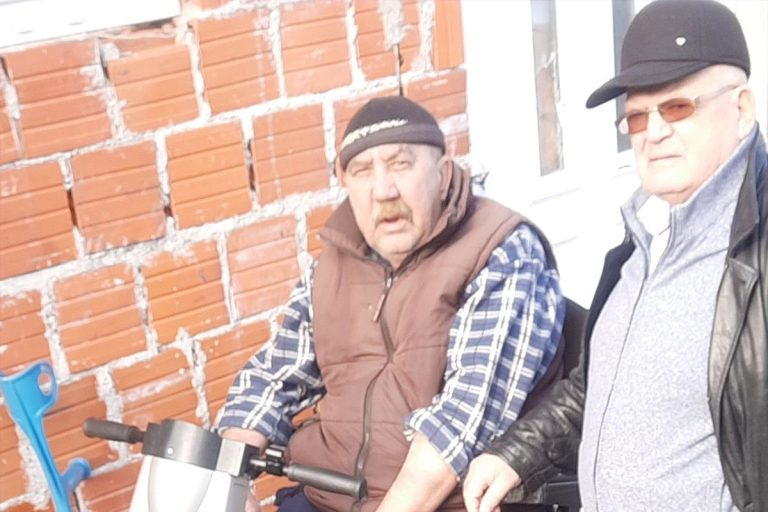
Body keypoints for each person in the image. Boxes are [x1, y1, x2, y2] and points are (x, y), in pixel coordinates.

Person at [462, 0, 767, 511]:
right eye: (637, 116)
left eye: (677, 107)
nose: (654, 131)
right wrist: (517, 454)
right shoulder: (643, 235)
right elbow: (600, 384)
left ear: (742, 109)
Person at [217, 95, 566, 511]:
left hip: (440, 503)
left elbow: (460, 425)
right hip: (328, 494)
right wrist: (228, 481)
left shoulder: (501, 250)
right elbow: (273, 376)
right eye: (363, 171)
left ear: (442, 173)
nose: (383, 191)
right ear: (345, 183)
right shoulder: (331, 266)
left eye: (400, 164)